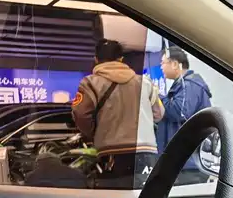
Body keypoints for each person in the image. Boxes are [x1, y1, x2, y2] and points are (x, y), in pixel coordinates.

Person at [71, 39, 164, 189]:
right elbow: (159, 114)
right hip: (146, 152)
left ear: (96, 59)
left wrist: (94, 133)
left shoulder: (90, 83)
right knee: (144, 196)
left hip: (111, 152)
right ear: (121, 59)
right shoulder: (144, 82)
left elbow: (81, 115)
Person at [157, 47, 212, 184]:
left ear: (175, 64)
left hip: (188, 165)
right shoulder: (183, 86)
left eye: (163, 63)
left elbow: (179, 112)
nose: (161, 67)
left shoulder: (190, 86)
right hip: (182, 162)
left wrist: (157, 96)